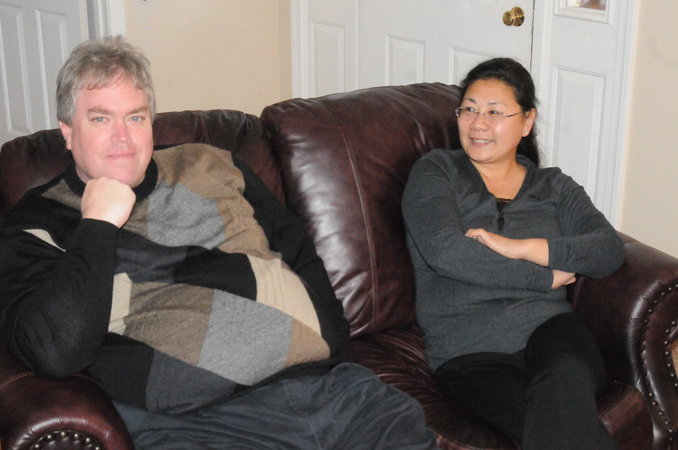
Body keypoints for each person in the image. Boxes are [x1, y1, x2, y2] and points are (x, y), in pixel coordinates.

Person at [0, 36, 437, 449]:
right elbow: (54, 353)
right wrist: (97, 225)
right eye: (100, 119)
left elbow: (298, 251)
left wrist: (335, 354)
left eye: (136, 117)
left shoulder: (211, 164)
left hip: (331, 394)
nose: (123, 138)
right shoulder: (37, 225)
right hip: (199, 423)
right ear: (67, 131)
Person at [401, 57, 623, 449]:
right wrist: (543, 277)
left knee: (562, 381)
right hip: (469, 352)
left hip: (552, 332)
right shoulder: (436, 172)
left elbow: (607, 250)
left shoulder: (554, 186)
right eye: (469, 109)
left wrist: (526, 248)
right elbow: (446, 252)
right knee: (554, 424)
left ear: (526, 121)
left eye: (494, 112)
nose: (478, 124)